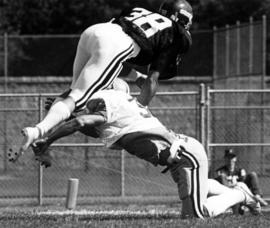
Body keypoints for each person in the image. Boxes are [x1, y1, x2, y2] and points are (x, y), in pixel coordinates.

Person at [19, 79, 262, 219]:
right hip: (180, 157)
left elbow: (82, 122)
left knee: (196, 216)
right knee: (195, 198)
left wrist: (48, 137)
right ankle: (235, 190)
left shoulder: (108, 99)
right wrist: (64, 114)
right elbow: (92, 127)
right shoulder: (121, 107)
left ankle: (240, 193)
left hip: (185, 155)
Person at [15, 0, 193, 161]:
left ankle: (43, 137)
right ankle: (37, 131)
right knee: (77, 97)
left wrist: (137, 77)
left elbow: (113, 61)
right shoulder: (175, 34)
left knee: (75, 94)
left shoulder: (140, 10)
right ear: (181, 19)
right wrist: (140, 109)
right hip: (117, 44)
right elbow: (152, 79)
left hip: (95, 31)